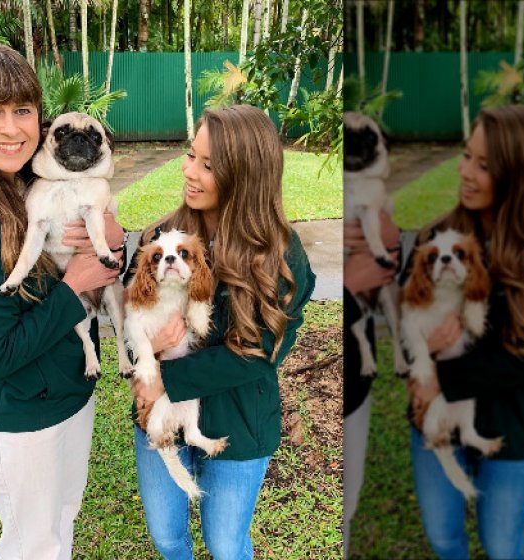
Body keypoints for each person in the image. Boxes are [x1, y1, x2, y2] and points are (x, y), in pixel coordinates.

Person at [0, 41, 125, 559]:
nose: (11, 128)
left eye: (23, 110)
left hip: (68, 391)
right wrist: (75, 285)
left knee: (61, 524)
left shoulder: (24, 181)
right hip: (23, 418)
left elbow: (93, 244)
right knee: (35, 546)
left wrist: (111, 240)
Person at [127, 104, 316, 559]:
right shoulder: (159, 239)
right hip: (161, 414)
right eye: (191, 155)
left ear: (245, 175)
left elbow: (258, 352)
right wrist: (144, 359)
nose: (190, 172)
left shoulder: (283, 259)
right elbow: (136, 324)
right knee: (167, 536)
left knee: (227, 545)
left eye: (208, 165)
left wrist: (162, 379)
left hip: (240, 420)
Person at [406, 104, 524, 559]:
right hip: (437, 421)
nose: (465, 172)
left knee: (503, 545)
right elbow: (411, 326)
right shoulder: (438, 238)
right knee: (444, 537)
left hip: (516, 423)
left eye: (484, 165)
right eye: (467, 156)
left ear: (521, 175)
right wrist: (421, 355)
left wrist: (437, 376)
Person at [341, 212, 400, 559]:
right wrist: (349, 285)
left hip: (356, 386)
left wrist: (389, 241)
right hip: (342, 383)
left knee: (347, 505)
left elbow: (390, 264)